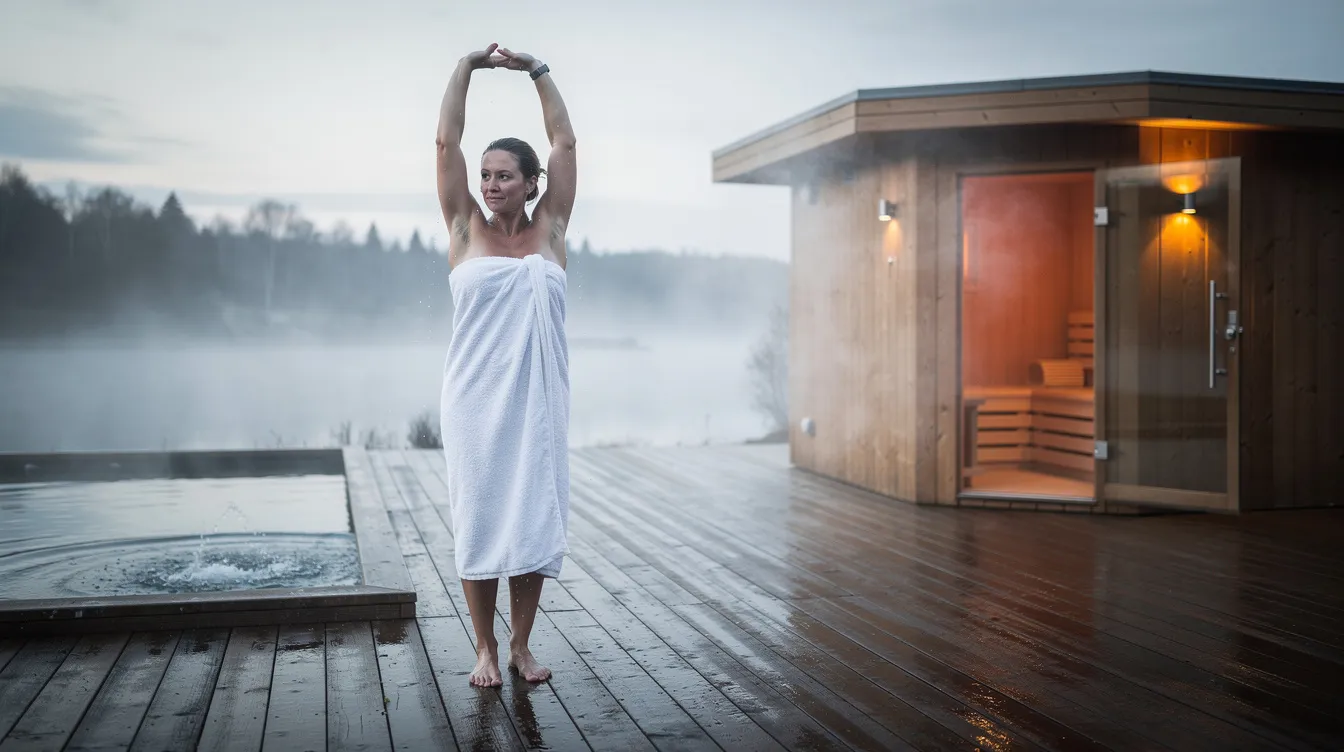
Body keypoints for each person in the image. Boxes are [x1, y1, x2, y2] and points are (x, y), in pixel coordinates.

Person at [435, 43, 577, 688]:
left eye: (503, 176)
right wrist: (467, 67)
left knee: (530, 516)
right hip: (472, 398)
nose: (490, 185)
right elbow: (445, 144)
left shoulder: (550, 230)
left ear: (531, 182)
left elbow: (565, 143)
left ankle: (521, 646)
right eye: (486, 175)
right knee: (482, 515)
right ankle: (485, 648)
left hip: (538, 399)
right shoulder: (464, 226)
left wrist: (535, 70)